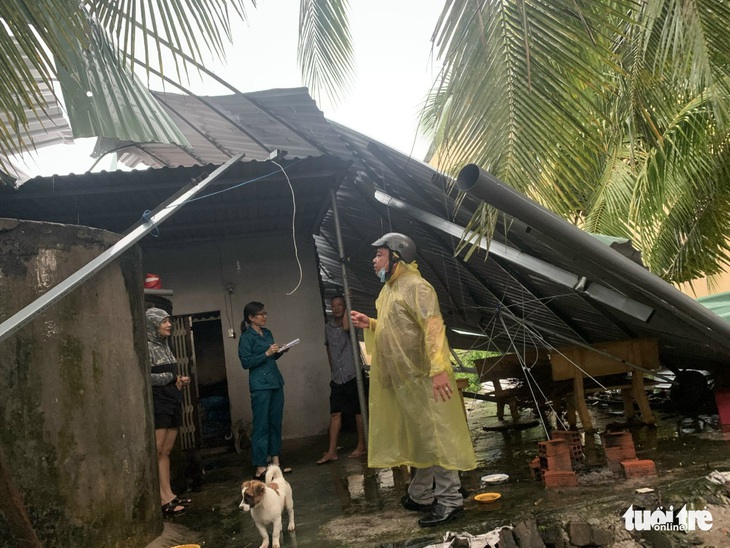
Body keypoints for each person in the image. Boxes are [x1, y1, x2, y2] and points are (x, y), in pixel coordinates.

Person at [350, 233, 476, 527]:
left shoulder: (417, 287)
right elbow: (396, 329)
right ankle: (420, 494)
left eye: (379, 255)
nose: (374, 260)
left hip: (424, 377)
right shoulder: (388, 291)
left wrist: (440, 370)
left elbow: (432, 328)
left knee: (436, 437)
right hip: (405, 381)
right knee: (421, 438)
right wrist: (370, 323)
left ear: (396, 256)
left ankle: (450, 500)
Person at [238, 301, 292, 480]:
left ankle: (275, 462)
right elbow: (246, 362)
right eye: (261, 314)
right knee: (261, 425)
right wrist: (266, 354)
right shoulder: (246, 338)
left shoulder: (267, 333)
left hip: (275, 381)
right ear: (251, 318)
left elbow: (272, 355)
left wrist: (280, 351)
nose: (264, 316)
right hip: (260, 385)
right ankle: (261, 466)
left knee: (275, 422)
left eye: (264, 313)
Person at [146, 307, 191, 517]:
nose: (168, 325)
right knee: (158, 450)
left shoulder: (165, 345)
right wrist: (170, 379)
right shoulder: (147, 347)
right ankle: (162, 498)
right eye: (164, 322)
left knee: (166, 451)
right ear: (153, 326)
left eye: (168, 321)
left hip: (172, 399)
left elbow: (168, 373)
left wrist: (178, 380)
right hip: (159, 402)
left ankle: (169, 494)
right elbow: (147, 376)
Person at [316, 294, 367, 464]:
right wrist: (332, 368)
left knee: (358, 412)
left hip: (353, 374)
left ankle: (361, 445)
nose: (336, 308)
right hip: (337, 376)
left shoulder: (351, 321)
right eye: (334, 305)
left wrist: (349, 300)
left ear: (344, 307)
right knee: (335, 412)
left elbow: (346, 327)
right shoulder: (328, 327)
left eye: (340, 305)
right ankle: (332, 451)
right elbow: (328, 348)